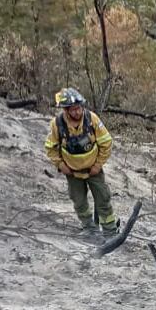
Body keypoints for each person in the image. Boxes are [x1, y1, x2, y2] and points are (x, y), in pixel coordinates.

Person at [44, 88, 118, 236]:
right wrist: (60, 165)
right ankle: (89, 227)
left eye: (79, 108)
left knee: (103, 198)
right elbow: (50, 148)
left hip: (93, 170)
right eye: (73, 110)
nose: (77, 112)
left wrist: (98, 165)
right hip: (72, 172)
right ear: (66, 110)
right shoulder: (57, 124)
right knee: (79, 201)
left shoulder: (92, 119)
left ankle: (110, 230)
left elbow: (106, 143)